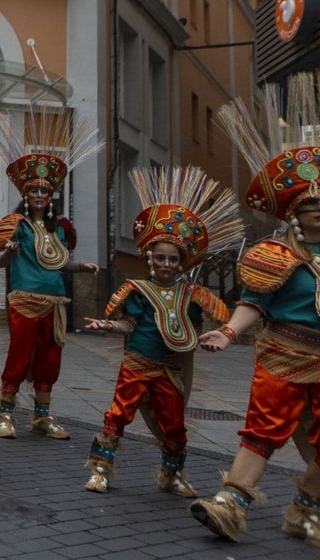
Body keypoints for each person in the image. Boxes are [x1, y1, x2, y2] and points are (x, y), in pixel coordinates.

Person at [189, 70, 320, 550]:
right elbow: (253, 302)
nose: (319, 208)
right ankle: (229, 505)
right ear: (293, 210)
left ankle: (306, 513)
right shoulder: (273, 256)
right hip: (284, 353)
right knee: (264, 428)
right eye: (310, 201)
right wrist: (228, 333)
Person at [82, 165, 240, 496]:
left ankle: (172, 475)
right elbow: (129, 324)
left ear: (181, 262)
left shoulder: (193, 294)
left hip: (170, 369)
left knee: (175, 425)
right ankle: (100, 469)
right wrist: (107, 325)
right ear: (150, 259)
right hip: (138, 363)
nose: (167, 264)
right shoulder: (136, 290)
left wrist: (207, 340)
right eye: (161, 258)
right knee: (118, 416)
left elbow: (194, 329)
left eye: (173, 259)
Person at [0, 106, 102, 440]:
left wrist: (82, 266)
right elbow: (1, 263)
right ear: (25, 194)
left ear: (52, 195)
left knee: (50, 360)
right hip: (24, 299)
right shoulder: (16, 226)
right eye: (33, 190)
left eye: (44, 191)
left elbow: (58, 263)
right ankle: (4, 414)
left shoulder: (60, 229)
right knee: (19, 356)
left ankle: (42, 416)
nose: (39, 195)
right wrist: (7, 251)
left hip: (55, 301)